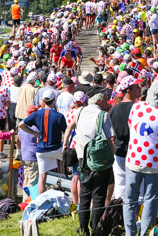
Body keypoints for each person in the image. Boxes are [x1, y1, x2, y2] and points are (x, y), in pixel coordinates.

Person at [123, 80, 158, 236]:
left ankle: (129, 232)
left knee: (130, 199)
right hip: (154, 163)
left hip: (133, 159)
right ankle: (145, 233)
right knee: (150, 200)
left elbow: (131, 125)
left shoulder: (137, 106)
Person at [65, 92, 114, 236]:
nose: (107, 101)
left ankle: (83, 228)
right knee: (98, 196)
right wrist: (111, 158)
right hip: (99, 160)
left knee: (85, 196)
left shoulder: (79, 111)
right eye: (105, 99)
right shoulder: (103, 115)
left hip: (82, 159)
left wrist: (64, 145)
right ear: (99, 100)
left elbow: (69, 127)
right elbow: (111, 139)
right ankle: (96, 229)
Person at [19, 90, 67, 195]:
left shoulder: (37, 114)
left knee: (42, 177)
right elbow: (66, 132)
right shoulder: (59, 116)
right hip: (56, 148)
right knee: (74, 166)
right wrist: (66, 144)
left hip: (41, 149)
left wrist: (34, 134)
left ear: (42, 101)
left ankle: (41, 200)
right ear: (54, 100)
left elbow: (21, 125)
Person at [109, 75, 142, 200]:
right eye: (136, 87)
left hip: (119, 151)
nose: (139, 89)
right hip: (134, 152)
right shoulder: (138, 108)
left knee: (121, 186)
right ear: (128, 90)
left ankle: (121, 215)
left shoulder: (114, 109)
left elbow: (111, 135)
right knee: (137, 186)